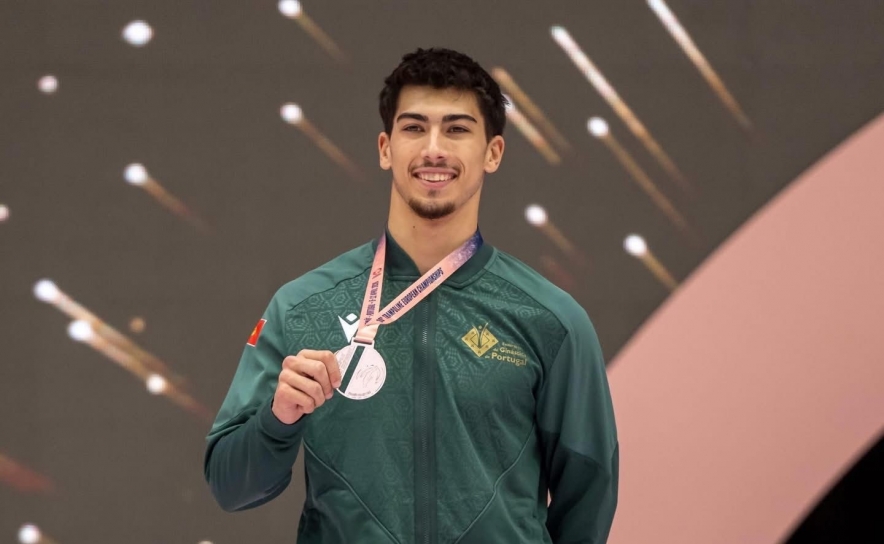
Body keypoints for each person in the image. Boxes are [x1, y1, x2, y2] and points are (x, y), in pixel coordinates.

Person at [204, 47, 618, 543]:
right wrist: (277, 418)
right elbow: (230, 486)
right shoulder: (302, 308)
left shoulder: (551, 319)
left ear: (493, 153)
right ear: (385, 148)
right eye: (414, 127)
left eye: (458, 129)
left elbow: (588, 497)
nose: (434, 149)